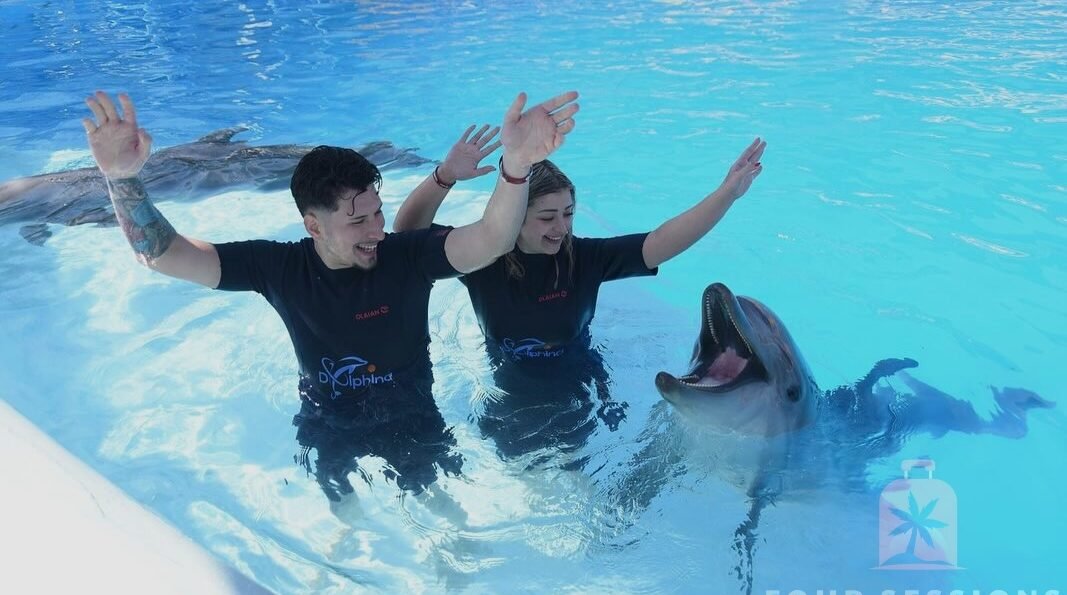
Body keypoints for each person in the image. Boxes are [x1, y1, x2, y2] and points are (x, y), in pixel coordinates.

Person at [81, 89, 579, 499]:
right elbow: (162, 254)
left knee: (444, 524)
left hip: (414, 416)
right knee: (344, 524)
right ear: (313, 225)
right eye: (358, 221)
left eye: (378, 213)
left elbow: (492, 239)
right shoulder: (278, 269)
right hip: (328, 420)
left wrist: (516, 165)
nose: (377, 230)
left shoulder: (407, 257)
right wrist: (120, 178)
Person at [393, 138, 766, 462]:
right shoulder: (480, 260)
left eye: (568, 214)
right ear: (515, 217)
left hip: (579, 379)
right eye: (547, 218)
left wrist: (727, 193)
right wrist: (444, 176)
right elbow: (408, 235)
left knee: (582, 455)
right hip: (509, 382)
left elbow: (661, 241)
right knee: (509, 454)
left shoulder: (585, 259)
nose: (562, 228)